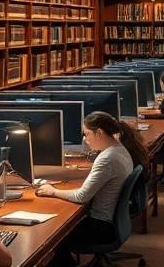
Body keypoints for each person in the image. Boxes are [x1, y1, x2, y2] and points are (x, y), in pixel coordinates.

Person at [37, 112, 149, 264]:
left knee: (51, 237)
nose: (85, 139)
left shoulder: (107, 159)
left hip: (101, 228)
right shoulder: (120, 149)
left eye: (87, 134)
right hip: (113, 222)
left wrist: (53, 191)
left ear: (99, 133)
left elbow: (82, 196)